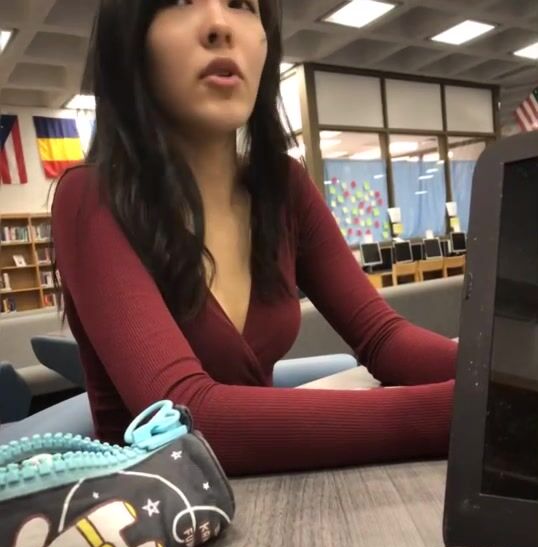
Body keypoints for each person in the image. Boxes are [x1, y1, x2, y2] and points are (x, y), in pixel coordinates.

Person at [51, 0, 457, 477]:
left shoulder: (282, 187)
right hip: (162, 507)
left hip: (272, 493)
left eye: (241, 4)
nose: (219, 25)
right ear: (130, 40)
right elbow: (187, 418)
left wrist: (504, 372)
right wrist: (466, 412)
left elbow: (383, 338)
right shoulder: (90, 199)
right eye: (180, 2)